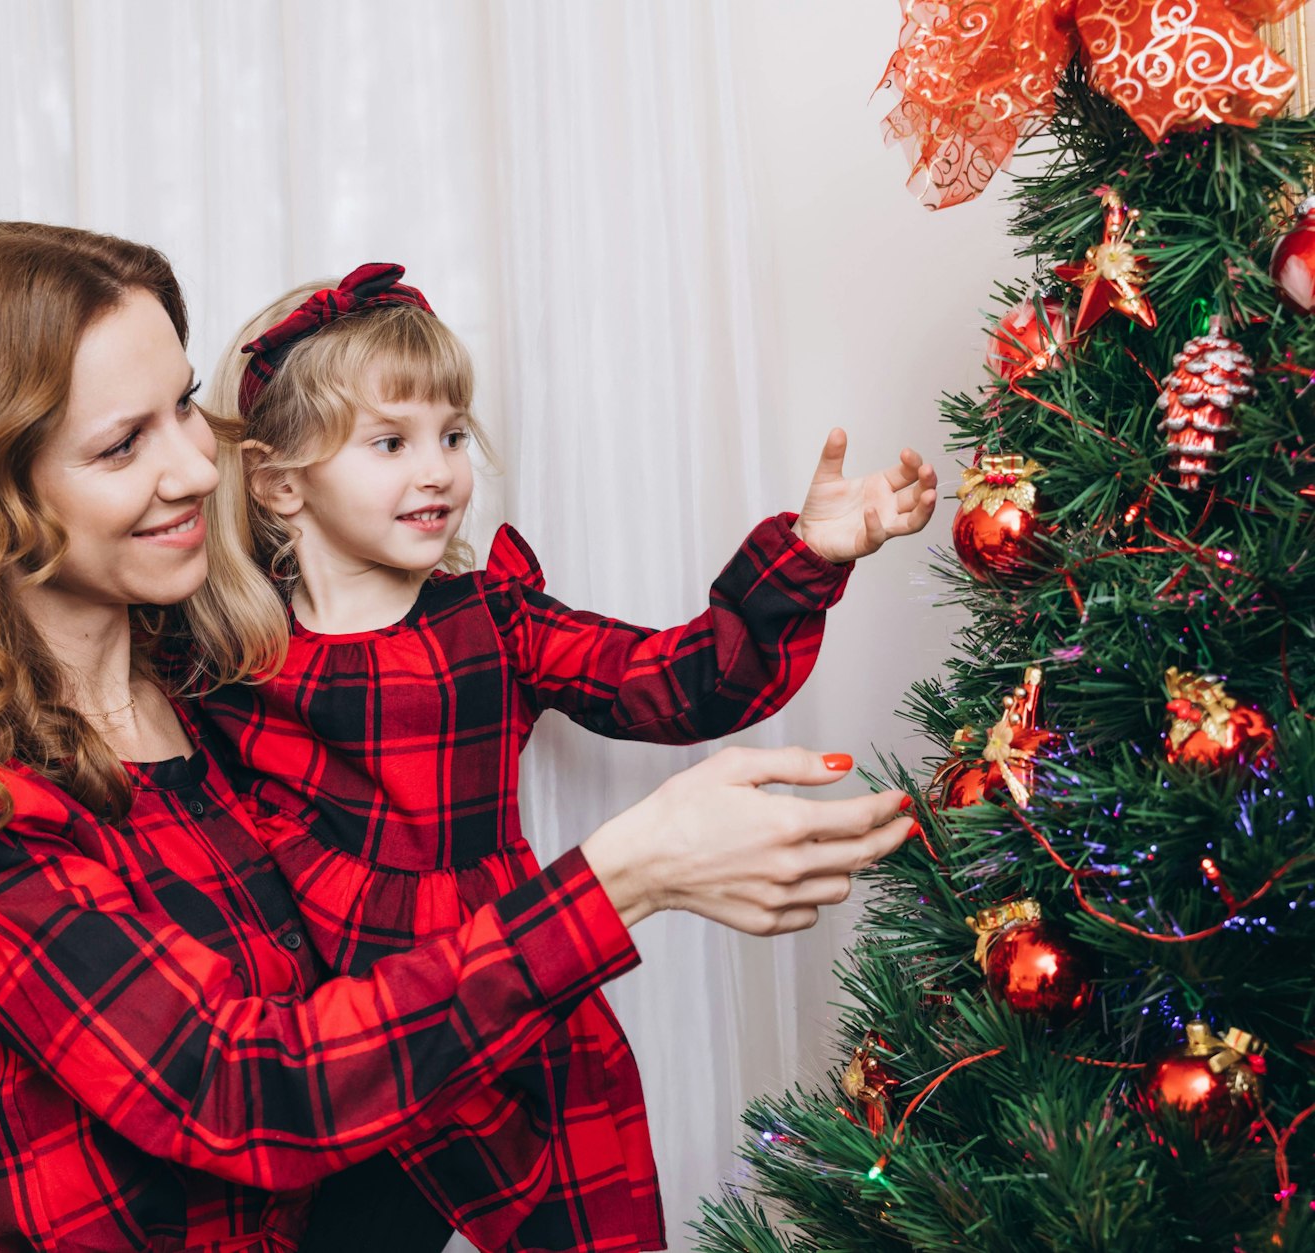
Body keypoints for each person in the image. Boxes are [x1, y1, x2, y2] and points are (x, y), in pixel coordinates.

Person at [0, 221, 919, 1253]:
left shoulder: (208, 669)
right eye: (120, 443)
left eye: (185, 403)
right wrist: (620, 881)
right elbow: (243, 1087)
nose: (201, 463)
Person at [179, 264, 936, 1252]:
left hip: (516, 1001)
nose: (437, 468)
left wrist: (810, 552)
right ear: (280, 482)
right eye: (388, 442)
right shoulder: (227, 662)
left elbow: (685, 678)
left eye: (451, 434)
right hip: (351, 1044)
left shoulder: (493, 618)